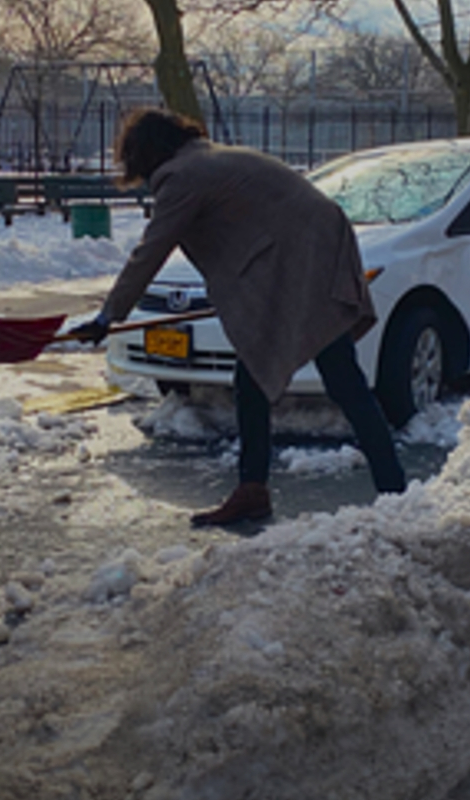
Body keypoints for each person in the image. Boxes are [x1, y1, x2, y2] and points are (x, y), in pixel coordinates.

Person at [70, 108, 406, 526]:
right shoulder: (209, 159)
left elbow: (151, 251)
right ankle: (261, 492)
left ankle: (392, 494)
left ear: (144, 153)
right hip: (315, 250)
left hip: (301, 260)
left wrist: (108, 316)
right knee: (267, 381)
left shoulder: (183, 177)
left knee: (333, 378)